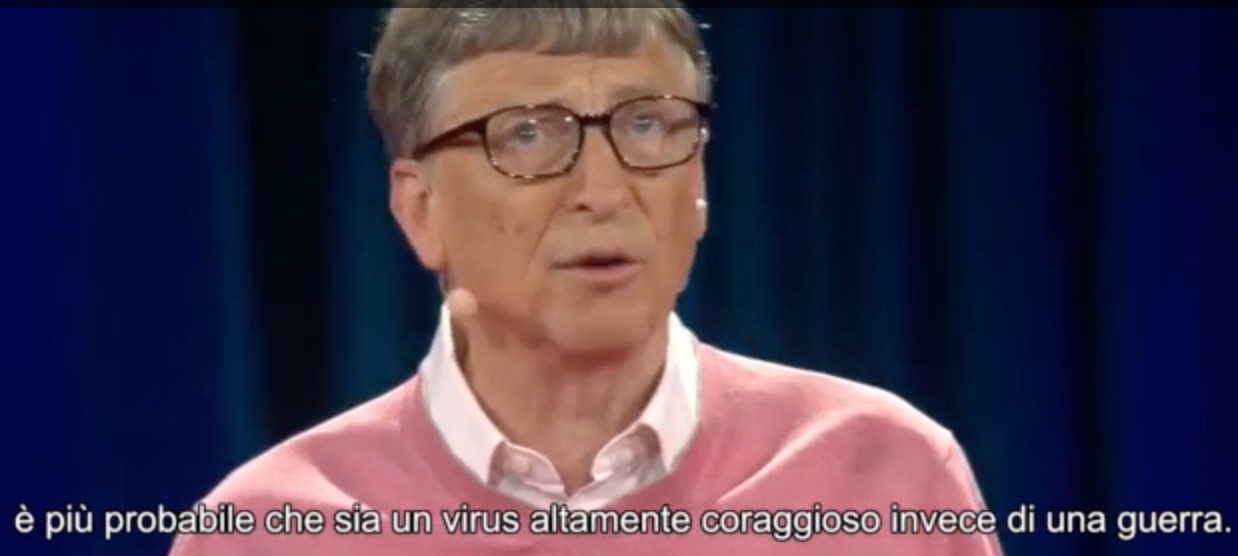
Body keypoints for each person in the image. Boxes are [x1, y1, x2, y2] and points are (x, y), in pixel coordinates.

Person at [169, 3, 1003, 555]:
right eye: (528, 135)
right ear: (420, 209)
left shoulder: (884, 476)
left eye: (648, 125)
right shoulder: (266, 531)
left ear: (699, 182)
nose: (604, 190)